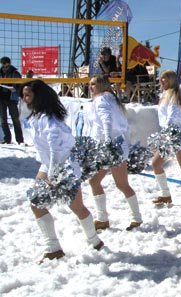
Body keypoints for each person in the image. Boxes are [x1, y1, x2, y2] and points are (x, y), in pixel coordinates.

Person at [19, 79, 103, 264]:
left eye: (28, 95)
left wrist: (53, 175)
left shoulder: (51, 121)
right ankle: (53, 248)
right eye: (23, 95)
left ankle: (95, 241)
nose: (24, 99)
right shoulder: (37, 117)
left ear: (38, 97)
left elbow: (56, 149)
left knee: (77, 208)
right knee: (36, 203)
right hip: (47, 166)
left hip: (64, 168)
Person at [88, 74, 143, 231]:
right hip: (116, 145)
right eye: (90, 84)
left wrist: (107, 140)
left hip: (110, 147)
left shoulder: (101, 100)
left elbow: (107, 120)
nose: (91, 87)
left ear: (102, 85)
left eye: (94, 84)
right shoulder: (112, 100)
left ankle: (135, 218)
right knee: (96, 181)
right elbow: (123, 125)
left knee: (120, 184)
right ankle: (103, 219)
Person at [151, 70, 181, 209]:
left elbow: (173, 116)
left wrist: (166, 133)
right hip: (169, 135)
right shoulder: (164, 95)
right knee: (156, 164)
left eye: (164, 79)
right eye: (160, 79)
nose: (161, 82)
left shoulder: (174, 95)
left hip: (178, 135)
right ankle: (165, 195)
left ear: (170, 80)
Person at [0, 56, 24, 144]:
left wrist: (15, 90)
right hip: (1, 99)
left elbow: (20, 86)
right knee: (3, 121)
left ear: (9, 64)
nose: (5, 68)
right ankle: (7, 139)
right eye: (3, 66)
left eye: (6, 66)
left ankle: (20, 140)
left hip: (12, 99)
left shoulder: (15, 73)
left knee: (15, 120)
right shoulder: (0, 72)